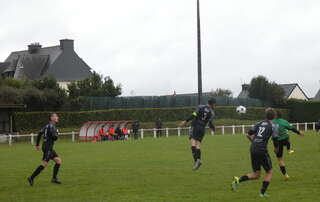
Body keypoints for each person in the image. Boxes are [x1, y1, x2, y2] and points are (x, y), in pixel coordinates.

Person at [231, 108, 278, 198]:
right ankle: (262, 193)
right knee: (269, 172)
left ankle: (238, 180)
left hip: (253, 149)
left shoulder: (258, 123)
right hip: (262, 150)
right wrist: (276, 148)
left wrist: (254, 142)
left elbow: (248, 134)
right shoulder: (273, 126)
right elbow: (275, 139)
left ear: (266, 115)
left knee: (256, 174)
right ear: (274, 116)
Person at [179, 98, 216, 171]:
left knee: (193, 142)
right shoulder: (212, 112)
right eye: (215, 104)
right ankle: (199, 159)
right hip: (202, 129)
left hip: (195, 126)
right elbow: (210, 123)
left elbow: (194, 115)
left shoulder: (200, 107)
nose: (215, 105)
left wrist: (185, 121)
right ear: (212, 104)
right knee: (198, 145)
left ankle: (196, 161)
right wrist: (213, 128)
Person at [27, 113, 62, 186]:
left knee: (58, 161)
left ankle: (54, 179)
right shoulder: (52, 126)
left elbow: (39, 133)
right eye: (56, 116)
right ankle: (31, 177)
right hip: (48, 148)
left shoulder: (46, 126)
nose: (57, 117)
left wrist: (37, 145)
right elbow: (54, 137)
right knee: (44, 164)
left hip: (46, 146)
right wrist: (57, 133)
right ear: (51, 118)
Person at [272, 110, 304, 180]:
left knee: (280, 159)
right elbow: (292, 128)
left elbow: (273, 136)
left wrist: (275, 147)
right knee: (287, 136)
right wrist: (298, 132)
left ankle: (285, 175)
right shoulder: (284, 121)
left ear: (275, 116)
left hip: (277, 142)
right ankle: (289, 150)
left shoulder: (272, 123)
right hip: (285, 140)